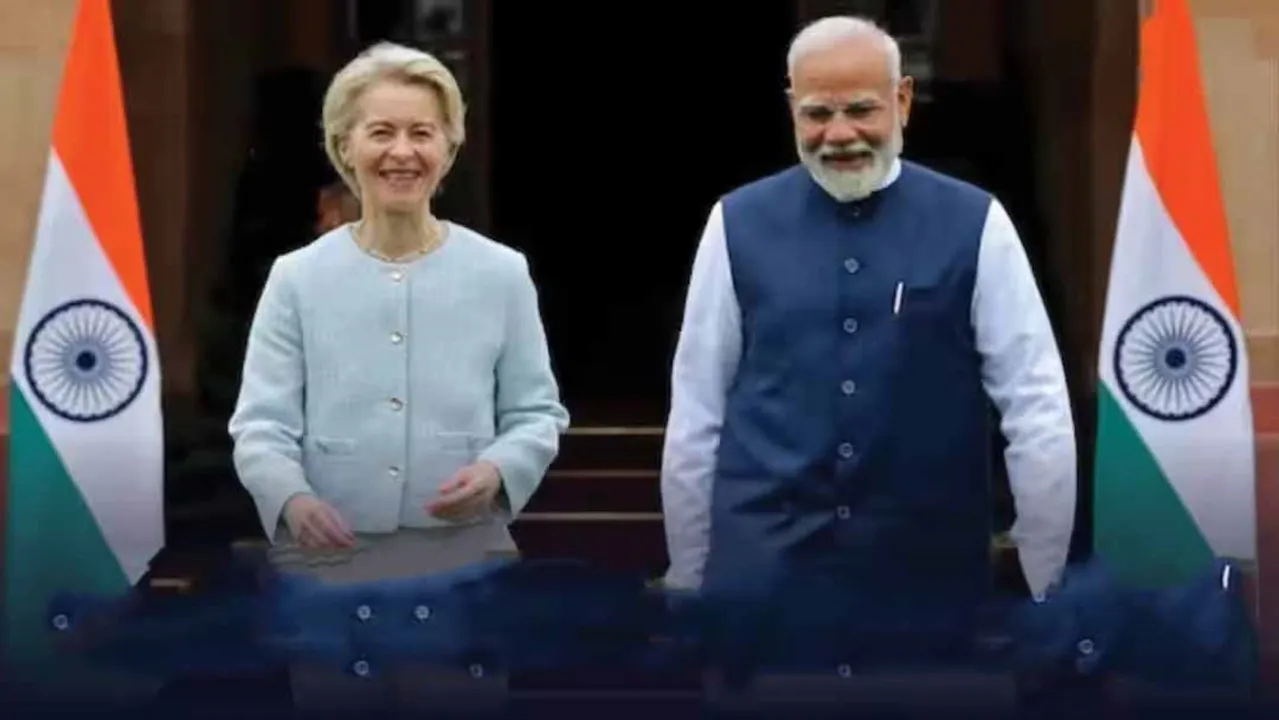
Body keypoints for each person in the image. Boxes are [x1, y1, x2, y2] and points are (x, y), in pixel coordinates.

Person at [659, 15, 1077, 662]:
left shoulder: (978, 223)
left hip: (926, 584)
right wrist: (690, 574)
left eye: (860, 110)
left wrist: (1042, 574)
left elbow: (1035, 404)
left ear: (902, 101)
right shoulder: (733, 223)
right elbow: (697, 410)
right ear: (792, 109)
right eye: (817, 113)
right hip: (762, 584)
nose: (839, 134)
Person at [228, 41, 569, 710]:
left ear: (449, 147)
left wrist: (498, 470)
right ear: (344, 146)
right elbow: (261, 426)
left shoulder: (501, 273)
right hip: (329, 569)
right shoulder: (296, 278)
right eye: (381, 132)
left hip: (462, 568)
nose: (402, 152)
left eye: (422, 133)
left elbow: (536, 414)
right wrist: (292, 501)